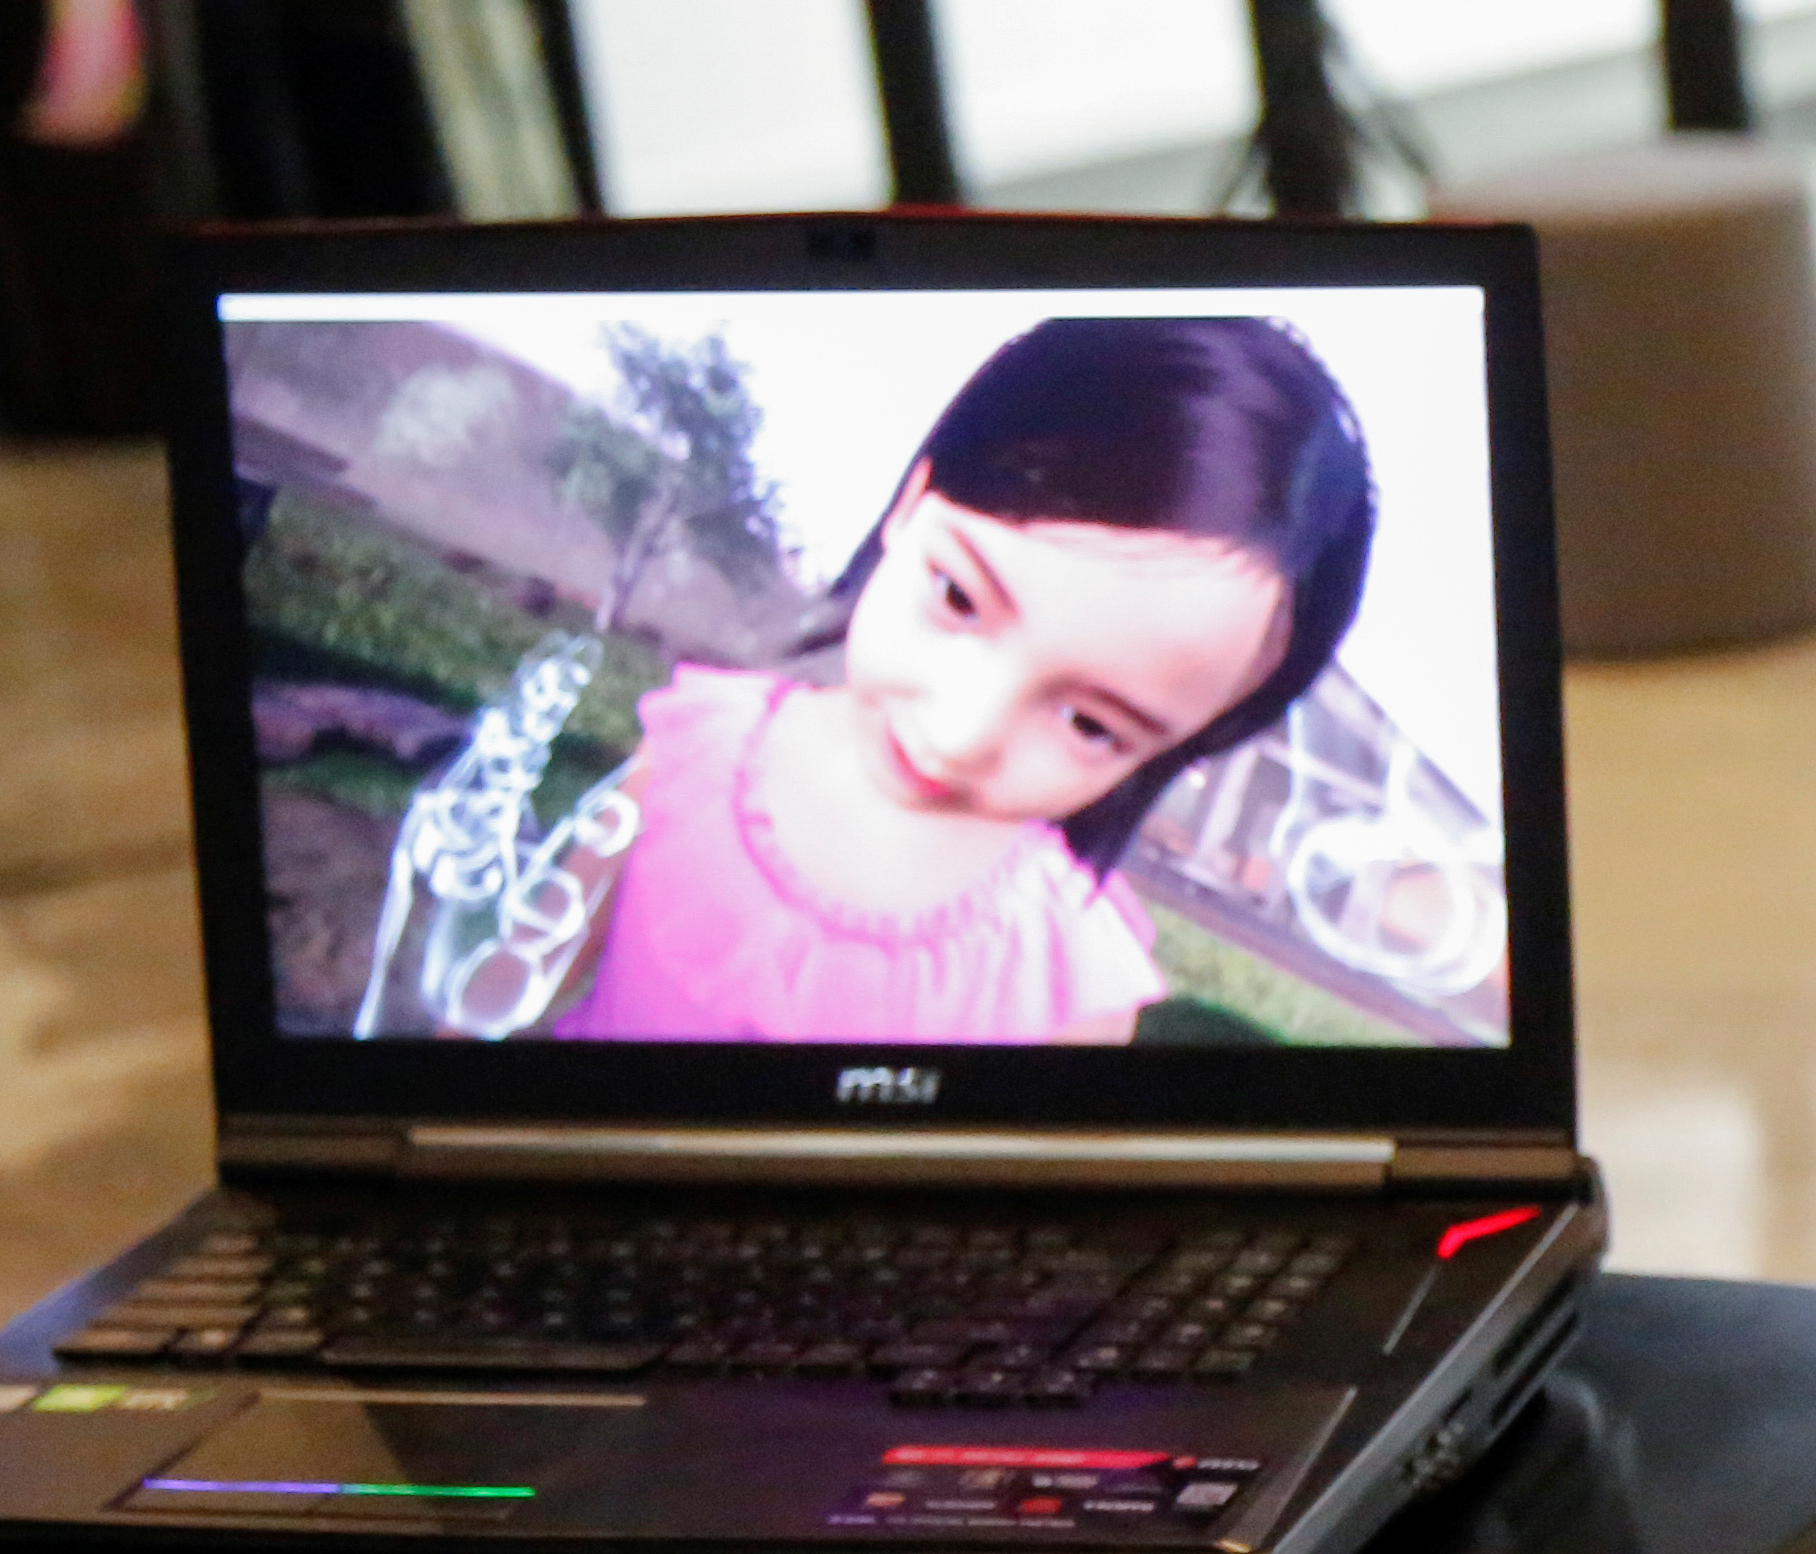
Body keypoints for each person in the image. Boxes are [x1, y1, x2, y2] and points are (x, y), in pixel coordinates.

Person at [547, 313, 1375, 1044]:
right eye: (958, 597)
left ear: (1177, 745)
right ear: (913, 502)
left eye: (1093, 726)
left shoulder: (1067, 985)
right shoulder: (696, 754)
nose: (959, 734)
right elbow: (505, 1000)